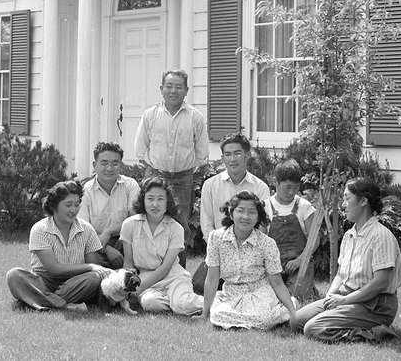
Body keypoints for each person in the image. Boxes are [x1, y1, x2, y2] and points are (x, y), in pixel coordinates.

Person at [292, 178, 401, 343]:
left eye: (347, 198)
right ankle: (348, 323)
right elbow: (340, 275)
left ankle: (376, 332)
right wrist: (330, 296)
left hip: (375, 305)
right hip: (347, 297)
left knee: (312, 328)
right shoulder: (350, 235)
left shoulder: (381, 236)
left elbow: (380, 283)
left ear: (364, 200)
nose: (343, 204)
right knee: (295, 321)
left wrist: (344, 301)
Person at [6, 180, 110, 311]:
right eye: (68, 205)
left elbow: (94, 269)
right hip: (44, 281)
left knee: (94, 278)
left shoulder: (87, 229)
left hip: (75, 282)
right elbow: (53, 268)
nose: (73, 210)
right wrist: (90, 266)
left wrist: (92, 268)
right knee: (14, 275)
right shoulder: (40, 229)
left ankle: (35, 300)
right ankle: (64, 306)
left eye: (77, 205)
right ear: (55, 206)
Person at [134, 69, 208, 251]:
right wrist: (153, 170)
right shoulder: (150, 115)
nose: (173, 91)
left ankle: (179, 273)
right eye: (169, 86)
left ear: (186, 90)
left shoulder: (195, 117)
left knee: (179, 225)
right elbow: (140, 149)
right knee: (151, 220)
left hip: (183, 179)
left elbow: (202, 153)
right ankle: (149, 263)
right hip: (155, 176)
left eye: (178, 87)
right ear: (161, 89)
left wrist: (189, 169)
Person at [202, 191, 296, 330]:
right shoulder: (216, 238)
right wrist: (205, 313)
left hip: (259, 293)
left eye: (251, 212)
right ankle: (249, 322)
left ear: (258, 217)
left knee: (264, 318)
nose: (245, 216)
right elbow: (212, 279)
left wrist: (293, 311)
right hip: (231, 294)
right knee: (217, 314)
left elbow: (277, 282)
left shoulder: (267, 243)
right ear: (231, 212)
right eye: (240, 211)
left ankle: (286, 308)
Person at [192, 133, 269, 293]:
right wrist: (219, 252)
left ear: (247, 155)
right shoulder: (210, 185)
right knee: (199, 286)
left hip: (249, 254)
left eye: (237, 153)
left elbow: (263, 228)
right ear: (222, 157)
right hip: (218, 252)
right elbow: (206, 225)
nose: (232, 159)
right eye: (228, 154)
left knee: (249, 289)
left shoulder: (260, 188)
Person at [120, 176, 203, 316]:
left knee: (182, 304)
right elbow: (128, 262)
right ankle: (176, 303)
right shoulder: (129, 225)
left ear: (167, 202)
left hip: (173, 277)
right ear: (143, 200)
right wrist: (127, 287)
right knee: (149, 303)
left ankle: (216, 302)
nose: (155, 204)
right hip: (145, 278)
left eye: (160, 199)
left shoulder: (176, 228)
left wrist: (139, 290)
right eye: (150, 199)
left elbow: (165, 268)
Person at [80, 141, 141, 269]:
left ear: (121, 165)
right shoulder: (86, 191)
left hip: (125, 239)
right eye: (104, 163)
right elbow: (84, 230)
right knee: (91, 261)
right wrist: (107, 249)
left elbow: (135, 220)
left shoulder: (130, 185)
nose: (109, 168)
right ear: (94, 165)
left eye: (115, 163)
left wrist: (109, 231)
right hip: (96, 243)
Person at [265, 159, 318, 296]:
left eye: (295, 188)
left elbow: (315, 240)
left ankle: (306, 287)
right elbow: (261, 242)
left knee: (297, 295)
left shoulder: (304, 206)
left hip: (300, 262)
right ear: (276, 183)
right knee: (269, 295)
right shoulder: (264, 207)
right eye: (287, 187)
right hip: (273, 264)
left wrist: (300, 260)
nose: (291, 192)